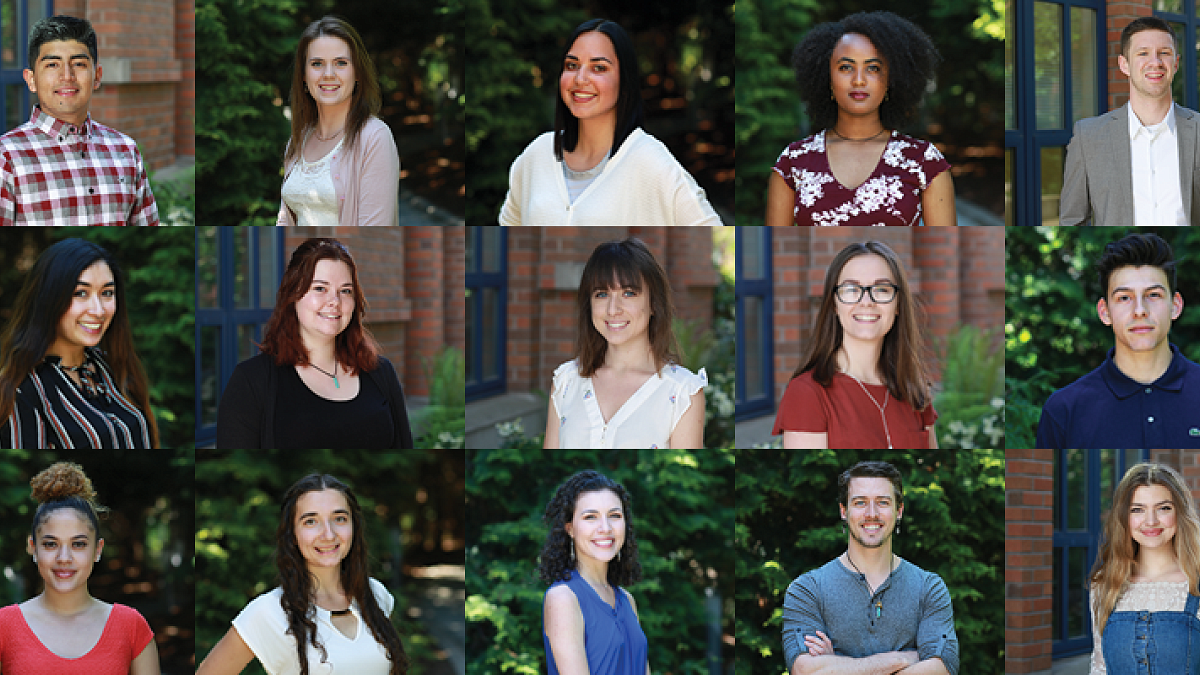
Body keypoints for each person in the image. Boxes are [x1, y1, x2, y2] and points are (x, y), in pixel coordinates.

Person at [499, 19, 721, 226]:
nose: (580, 79)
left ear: (624, 81)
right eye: (572, 65)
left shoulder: (651, 162)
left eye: (599, 68)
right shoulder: (536, 156)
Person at [197, 473, 408, 675]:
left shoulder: (375, 594)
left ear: (354, 526)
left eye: (339, 518)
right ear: (293, 534)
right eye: (310, 521)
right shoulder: (269, 612)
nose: (328, 534)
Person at [216, 238, 413, 449]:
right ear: (292, 296)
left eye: (345, 291)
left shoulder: (381, 372)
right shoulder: (252, 381)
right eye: (320, 288)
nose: (335, 301)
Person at [766, 11, 955, 226]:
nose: (858, 80)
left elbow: (944, 254)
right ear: (826, 77)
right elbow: (775, 252)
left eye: (873, 68)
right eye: (846, 67)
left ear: (892, 80)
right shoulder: (793, 161)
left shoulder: (924, 162)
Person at [782, 461, 958, 675]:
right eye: (860, 503)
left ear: (899, 510)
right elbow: (804, 672)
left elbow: (942, 669)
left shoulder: (929, 587)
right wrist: (902, 658)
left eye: (883, 502)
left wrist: (836, 664)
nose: (871, 513)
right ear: (843, 511)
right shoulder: (807, 590)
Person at [1037, 233, 1200, 449]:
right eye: (1124, 298)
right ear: (1105, 312)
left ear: (1175, 306)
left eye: (1153, 295)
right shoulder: (1064, 410)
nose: (1140, 311)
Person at [544, 237, 706, 449]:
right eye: (601, 294)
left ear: (654, 304)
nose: (613, 309)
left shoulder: (683, 393)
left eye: (628, 293)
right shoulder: (566, 381)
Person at [773, 241, 937, 449]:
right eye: (851, 289)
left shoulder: (913, 388)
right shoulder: (807, 393)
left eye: (881, 289)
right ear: (834, 303)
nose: (866, 301)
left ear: (898, 304)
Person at [0, 461, 160, 674]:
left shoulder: (132, 627)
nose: (64, 558)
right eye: (50, 544)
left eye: (78, 544)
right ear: (33, 548)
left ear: (98, 550)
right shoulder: (4, 626)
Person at [0, 237, 158, 449]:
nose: (98, 310)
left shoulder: (114, 367)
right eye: (80, 293)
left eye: (107, 293)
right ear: (48, 298)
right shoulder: (21, 391)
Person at [0, 15, 158, 226]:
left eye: (79, 64)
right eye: (52, 64)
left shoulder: (126, 150)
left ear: (97, 76)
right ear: (31, 79)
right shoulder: (6, 157)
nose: (67, 75)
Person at [1061, 18, 1200, 226]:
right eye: (1143, 53)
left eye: (1164, 53)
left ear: (1176, 63)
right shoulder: (1088, 136)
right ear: (1124, 64)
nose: (1155, 62)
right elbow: (1072, 221)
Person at [277, 16, 400, 226]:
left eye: (340, 63)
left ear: (357, 72)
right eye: (317, 64)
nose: (328, 74)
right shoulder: (298, 140)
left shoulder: (374, 137)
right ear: (304, 76)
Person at [1088, 463, 1200, 674]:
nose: (1150, 521)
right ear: (1124, 517)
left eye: (1163, 508)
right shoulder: (1104, 584)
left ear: (1180, 513)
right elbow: (1100, 667)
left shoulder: (1195, 583)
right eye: (1137, 510)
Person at [540, 470, 649, 675]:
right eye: (591, 517)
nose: (605, 527)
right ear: (570, 528)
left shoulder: (627, 600)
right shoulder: (563, 598)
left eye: (614, 515)